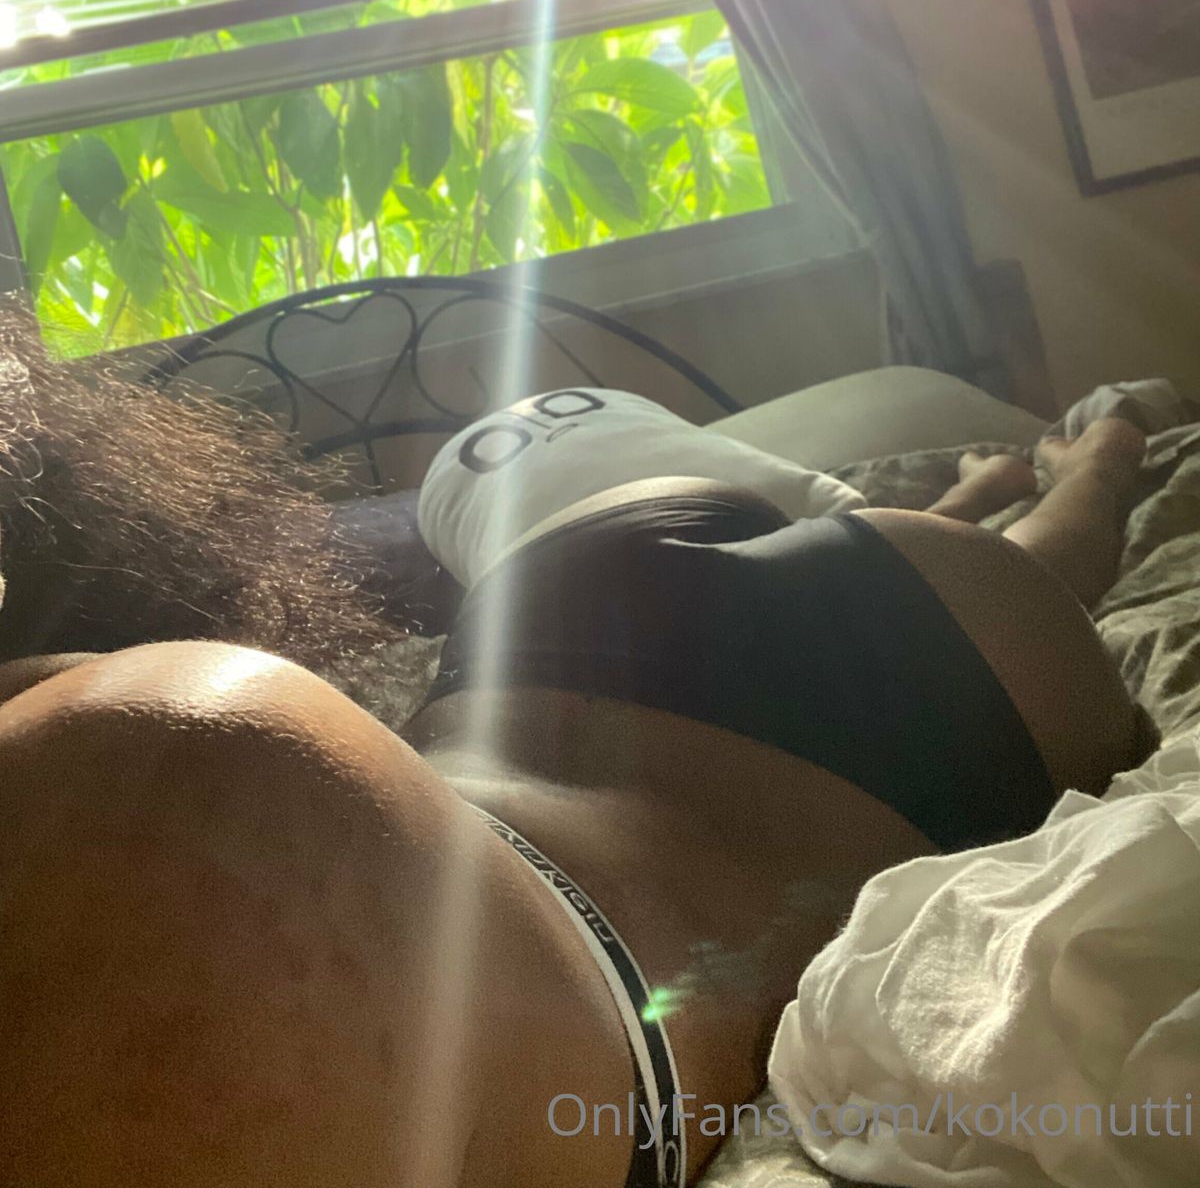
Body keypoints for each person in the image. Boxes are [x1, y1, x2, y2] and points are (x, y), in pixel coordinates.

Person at [0, 303, 1149, 1188]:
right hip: (598, 647)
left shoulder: (120, 791)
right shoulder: (130, 751)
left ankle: (1094, 455)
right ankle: (982, 495)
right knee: (964, 569)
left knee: (1051, 554)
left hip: (567, 648)